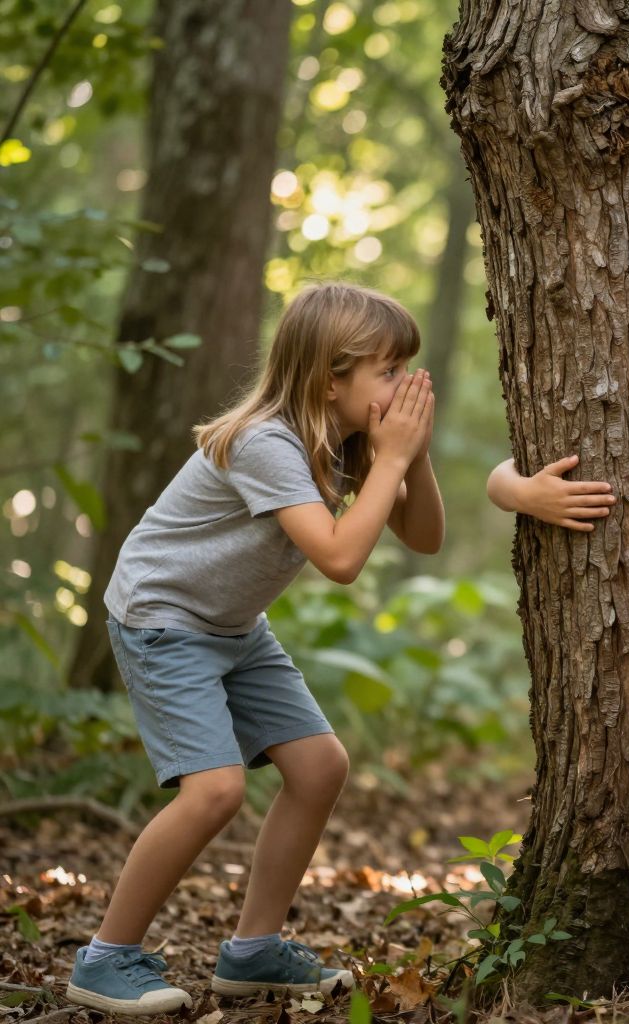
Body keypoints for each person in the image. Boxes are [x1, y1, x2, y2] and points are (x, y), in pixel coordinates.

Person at [66, 282, 444, 1015]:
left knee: (320, 767)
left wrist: (411, 455)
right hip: (163, 617)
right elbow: (340, 559)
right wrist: (391, 463)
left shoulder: (348, 443)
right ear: (331, 378)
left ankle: (252, 951)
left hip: (233, 627)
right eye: (388, 371)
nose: (402, 386)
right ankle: (106, 957)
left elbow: (424, 538)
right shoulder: (266, 441)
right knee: (214, 792)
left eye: (405, 370)